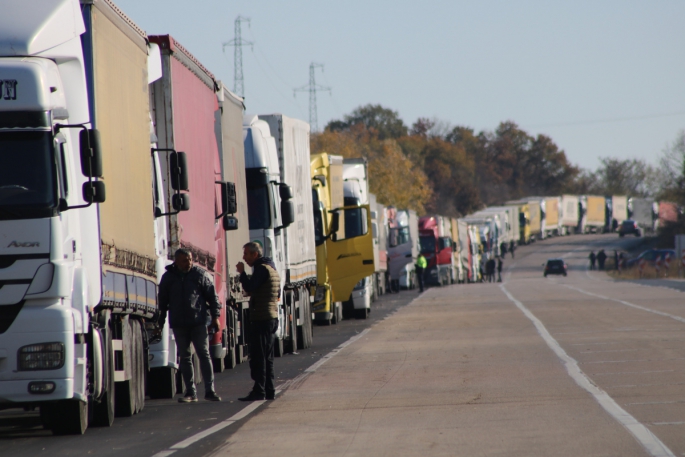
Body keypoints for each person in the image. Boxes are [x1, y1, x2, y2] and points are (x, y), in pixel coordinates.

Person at [158, 248, 222, 403]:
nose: (189, 263)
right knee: (185, 357)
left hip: (198, 322)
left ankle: (210, 390)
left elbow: (212, 297)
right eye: (185, 260)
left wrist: (215, 317)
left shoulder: (199, 275)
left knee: (204, 354)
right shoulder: (168, 278)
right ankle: (190, 392)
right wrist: (160, 320)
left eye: (190, 260)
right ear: (177, 261)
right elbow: (163, 301)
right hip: (179, 324)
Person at [237, 242, 281, 401]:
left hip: (262, 318)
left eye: (246, 254)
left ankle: (260, 390)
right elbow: (275, 292)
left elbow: (250, 285)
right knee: (267, 357)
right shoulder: (271, 268)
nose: (244, 257)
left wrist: (242, 273)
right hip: (270, 316)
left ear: (255, 254)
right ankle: (269, 390)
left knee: (259, 357)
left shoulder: (261, 269)